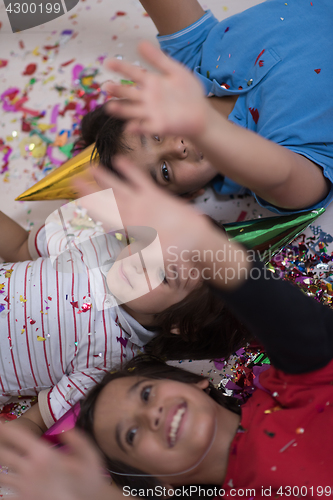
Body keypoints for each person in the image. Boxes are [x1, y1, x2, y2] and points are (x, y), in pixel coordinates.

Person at [72, 159, 332, 497]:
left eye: (147, 394)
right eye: (131, 436)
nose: (152, 414)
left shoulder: (288, 394)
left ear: (196, 381)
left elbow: (302, 332)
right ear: (156, 483)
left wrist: (200, 242)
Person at [0, 204, 249, 436]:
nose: (142, 259)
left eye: (164, 275)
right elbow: (21, 246)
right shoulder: (96, 240)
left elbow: (35, 422)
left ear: (179, 324)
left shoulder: (110, 359)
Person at [77, 0, 333, 214]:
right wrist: (205, 128)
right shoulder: (264, 172)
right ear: (191, 195)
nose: (176, 147)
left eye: (155, 134)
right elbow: (284, 177)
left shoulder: (194, 57)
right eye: (165, 172)